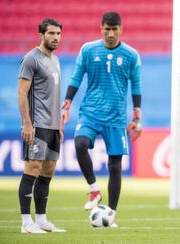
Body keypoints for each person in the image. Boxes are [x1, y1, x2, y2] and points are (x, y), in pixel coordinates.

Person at [61, 12, 142, 226]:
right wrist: (67, 102)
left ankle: (111, 213)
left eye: (115, 29)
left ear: (121, 29)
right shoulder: (88, 50)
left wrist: (137, 113)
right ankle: (94, 190)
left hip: (116, 117)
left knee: (115, 166)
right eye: (107, 29)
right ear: (101, 28)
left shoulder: (131, 55)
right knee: (80, 143)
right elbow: (76, 77)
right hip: (90, 112)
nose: (111, 33)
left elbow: (136, 85)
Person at [18, 18, 66, 234]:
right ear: (41, 35)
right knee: (32, 169)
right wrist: (27, 123)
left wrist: (60, 125)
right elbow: (21, 93)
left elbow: (53, 95)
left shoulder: (56, 60)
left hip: (54, 126)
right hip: (37, 125)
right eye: (51, 34)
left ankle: (42, 220)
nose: (55, 37)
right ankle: (26, 223)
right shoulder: (31, 59)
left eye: (58, 34)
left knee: (48, 171)